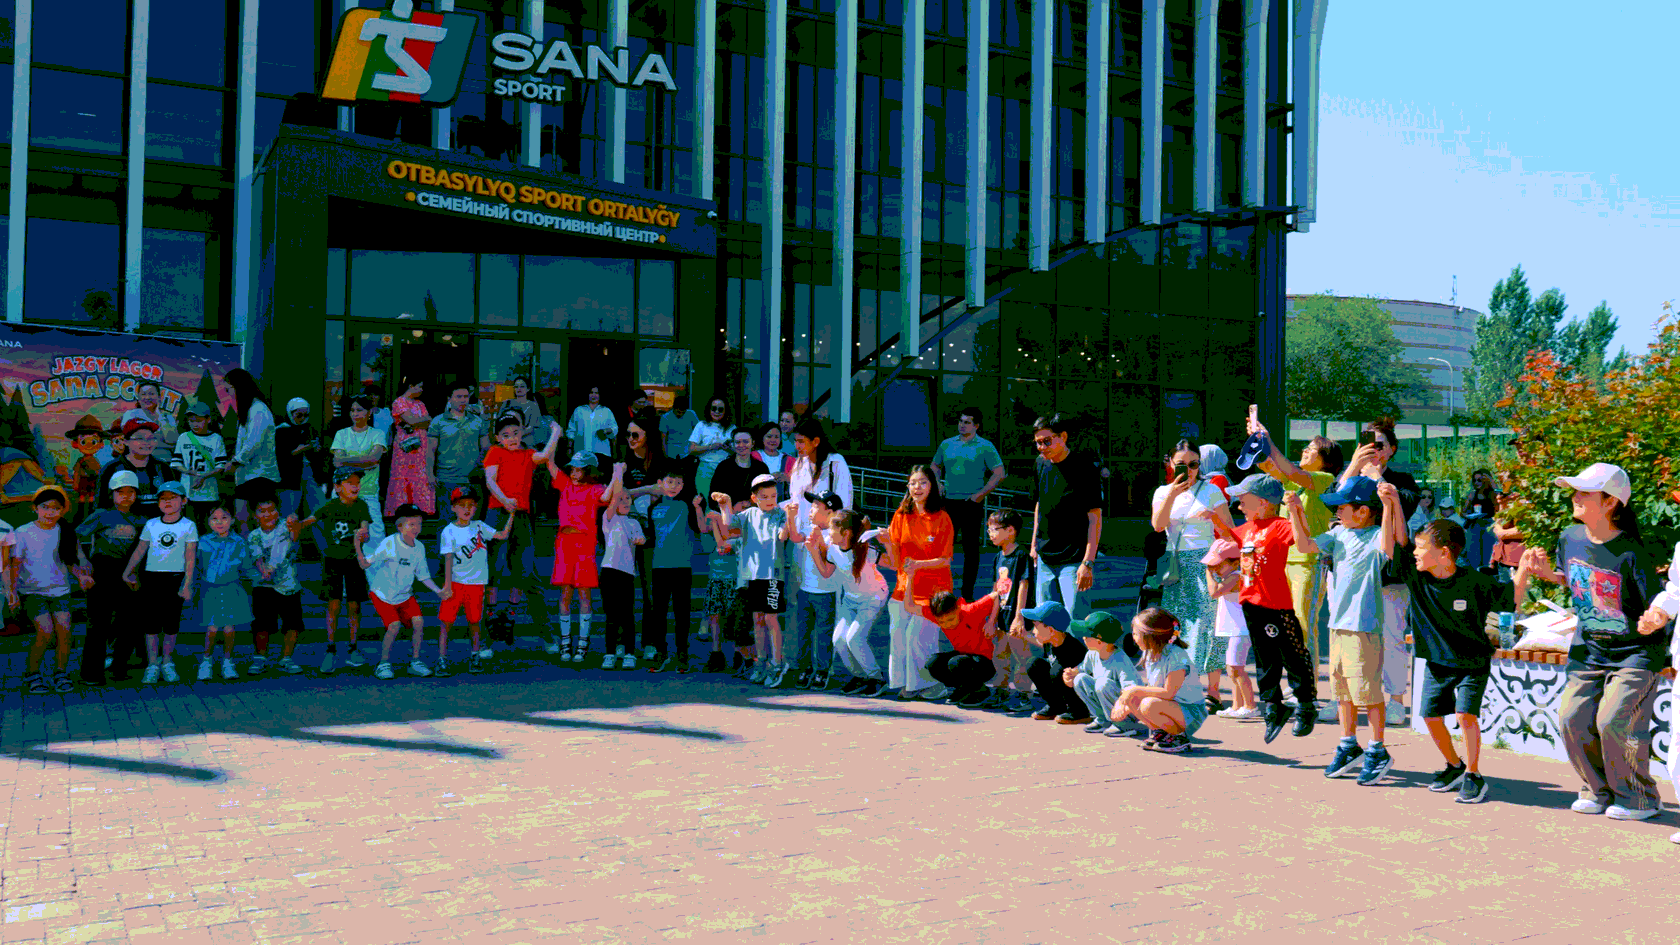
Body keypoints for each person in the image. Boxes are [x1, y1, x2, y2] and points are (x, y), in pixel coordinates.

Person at [1518, 463, 1667, 822]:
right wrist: (1547, 575)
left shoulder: (1632, 551)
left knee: (1613, 722)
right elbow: (1577, 580)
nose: (1575, 497)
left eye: (1585, 492)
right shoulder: (1570, 537)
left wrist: (1653, 623)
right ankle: (1596, 790)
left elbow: (1656, 605)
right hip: (1588, 651)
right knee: (1571, 718)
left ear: (1610, 502)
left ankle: (1639, 799)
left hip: (1634, 654)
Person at [1381, 487, 1520, 805]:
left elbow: (1508, 597)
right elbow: (1396, 544)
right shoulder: (1417, 577)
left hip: (1472, 661)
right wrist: (1391, 504)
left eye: (1422, 548)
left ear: (1444, 553)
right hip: (1437, 662)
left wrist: (1525, 571)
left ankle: (1473, 774)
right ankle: (1454, 766)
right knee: (1430, 716)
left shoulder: (1474, 581)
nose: (1415, 553)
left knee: (1464, 714)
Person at [1285, 476, 1392, 785]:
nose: (1338, 513)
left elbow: (1388, 547)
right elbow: (1304, 545)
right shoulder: (1338, 534)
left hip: (1363, 626)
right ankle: (1348, 744)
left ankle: (1377, 749)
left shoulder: (1376, 536)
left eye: (1342, 507)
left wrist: (1388, 505)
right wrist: (1295, 512)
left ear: (1363, 511)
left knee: (1368, 692)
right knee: (1342, 690)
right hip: (1338, 624)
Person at [1246, 417, 1343, 694]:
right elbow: (1268, 465)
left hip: (1309, 563)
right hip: (1283, 562)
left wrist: (1269, 440)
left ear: (1325, 460)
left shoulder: (1324, 479)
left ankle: (1307, 688)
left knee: (1303, 626)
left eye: (1311, 449)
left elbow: (1288, 469)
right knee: (1285, 626)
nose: (1304, 451)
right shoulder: (1295, 482)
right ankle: (1297, 684)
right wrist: (1257, 438)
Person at [1219, 473, 1317, 742]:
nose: (1239, 505)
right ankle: (1273, 706)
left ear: (1263, 502)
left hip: (1277, 604)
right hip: (1250, 602)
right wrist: (1213, 517)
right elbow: (1227, 537)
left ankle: (1306, 704)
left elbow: (1302, 540)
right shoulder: (1246, 529)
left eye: (1244, 500)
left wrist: (1295, 511)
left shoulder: (1280, 525)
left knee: (1292, 654)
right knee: (1264, 658)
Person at [1340, 418, 1422, 727]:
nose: (1372, 449)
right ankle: (1349, 698)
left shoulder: (1402, 479)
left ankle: (1396, 699)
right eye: (1367, 443)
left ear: (1392, 450)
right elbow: (1335, 502)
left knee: (1392, 636)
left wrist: (1376, 477)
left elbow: (1407, 505)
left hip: (1389, 571)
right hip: (1351, 569)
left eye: (1379, 444)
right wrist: (1353, 467)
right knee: (1349, 635)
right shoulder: (1351, 476)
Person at [1150, 437, 1234, 708]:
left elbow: (1230, 531)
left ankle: (1213, 691)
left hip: (1206, 561)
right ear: (1170, 464)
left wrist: (1214, 518)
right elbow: (1158, 525)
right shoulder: (1162, 492)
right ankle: (1179, 687)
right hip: (1175, 563)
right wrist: (1173, 494)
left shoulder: (1211, 490)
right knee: (1176, 624)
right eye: (1181, 464)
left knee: (1208, 625)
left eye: (1194, 464)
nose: (1189, 469)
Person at [712, 477, 798, 687]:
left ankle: (777, 663)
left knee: (771, 619)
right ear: (754, 498)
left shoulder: (780, 513)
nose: (770, 500)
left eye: (773, 496)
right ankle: (761, 662)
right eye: (764, 497)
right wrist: (725, 505)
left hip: (772, 576)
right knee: (757, 619)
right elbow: (728, 525)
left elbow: (782, 536)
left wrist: (791, 518)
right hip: (752, 576)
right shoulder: (748, 514)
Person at [877, 466, 954, 700]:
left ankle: (932, 684)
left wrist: (919, 565)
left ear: (932, 487)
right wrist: (885, 542)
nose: (917, 488)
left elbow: (945, 560)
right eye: (912, 483)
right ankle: (906, 684)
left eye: (923, 483)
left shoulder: (942, 517)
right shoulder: (901, 515)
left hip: (933, 591)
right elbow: (895, 560)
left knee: (917, 636)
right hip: (903, 588)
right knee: (898, 636)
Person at [485, 417, 562, 639]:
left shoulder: (528, 454)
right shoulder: (495, 452)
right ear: (498, 438)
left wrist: (556, 432)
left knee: (523, 567)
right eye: (506, 435)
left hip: (521, 514)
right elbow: (490, 480)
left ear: (522, 433)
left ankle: (510, 614)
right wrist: (504, 500)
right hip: (498, 514)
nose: (512, 438)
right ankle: (491, 617)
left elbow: (545, 455)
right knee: (493, 566)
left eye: (515, 433)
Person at [13, 485, 92, 694]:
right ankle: (32, 673)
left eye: (56, 508)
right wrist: (11, 592)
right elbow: (15, 564)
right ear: (35, 508)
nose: (50, 513)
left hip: (60, 590)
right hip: (32, 592)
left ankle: (61, 673)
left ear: (63, 510)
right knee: (45, 630)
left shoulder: (65, 531)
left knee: (65, 629)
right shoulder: (23, 532)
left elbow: (70, 561)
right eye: (45, 507)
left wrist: (82, 576)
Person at [295, 469, 374, 674]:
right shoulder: (329, 506)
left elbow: (365, 527)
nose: (355, 486)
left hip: (354, 561)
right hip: (332, 561)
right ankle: (331, 648)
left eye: (357, 482)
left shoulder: (362, 505)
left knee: (354, 605)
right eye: (350, 482)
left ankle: (353, 647)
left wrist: (364, 533)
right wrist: (294, 525)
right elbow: (309, 521)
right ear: (337, 487)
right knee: (333, 604)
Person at [357, 503, 449, 679]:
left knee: (419, 622)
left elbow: (423, 576)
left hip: (405, 595)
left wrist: (438, 590)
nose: (416, 528)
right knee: (394, 625)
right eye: (411, 524)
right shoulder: (389, 543)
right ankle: (383, 664)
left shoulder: (420, 548)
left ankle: (415, 661)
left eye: (419, 524)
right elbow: (367, 562)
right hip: (382, 595)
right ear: (399, 526)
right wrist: (357, 544)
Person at [121, 480, 198, 684]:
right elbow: (140, 549)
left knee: (171, 623)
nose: (168, 502)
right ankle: (153, 664)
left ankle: (167, 662)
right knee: (151, 623)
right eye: (163, 499)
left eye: (173, 498)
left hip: (176, 578)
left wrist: (187, 583)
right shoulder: (152, 524)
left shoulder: (188, 526)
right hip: (152, 578)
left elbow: (190, 556)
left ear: (184, 501)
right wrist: (128, 571)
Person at [633, 462, 704, 673]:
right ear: (660, 483)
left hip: (682, 565)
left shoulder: (688, 505)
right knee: (659, 612)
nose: (674, 486)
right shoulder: (652, 508)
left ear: (683, 485)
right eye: (669, 482)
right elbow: (651, 537)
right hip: (659, 566)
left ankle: (683, 655)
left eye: (678, 483)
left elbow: (698, 528)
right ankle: (661, 653)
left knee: (682, 612)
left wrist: (698, 507)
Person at [930, 408, 1007, 600]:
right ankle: (942, 591)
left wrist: (980, 495)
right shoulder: (947, 444)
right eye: (960, 421)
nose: (962, 425)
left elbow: (999, 473)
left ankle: (967, 594)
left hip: (971, 503)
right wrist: (938, 483)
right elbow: (934, 465)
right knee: (943, 547)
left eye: (967, 422)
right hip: (948, 502)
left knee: (971, 550)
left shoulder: (985, 446)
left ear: (976, 426)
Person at [1032, 414, 1103, 620]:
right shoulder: (1040, 464)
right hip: (1045, 557)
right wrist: (1034, 544)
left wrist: (1088, 562)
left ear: (1063, 437)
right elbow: (1039, 504)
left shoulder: (1085, 468)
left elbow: (1095, 517)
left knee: (1076, 622)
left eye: (1047, 441)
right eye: (1038, 443)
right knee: (1045, 621)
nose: (1042, 447)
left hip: (1074, 560)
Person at [76, 471, 144, 685]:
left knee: (128, 622)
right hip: (102, 569)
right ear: (111, 494)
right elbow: (75, 536)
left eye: (131, 492)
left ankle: (119, 668)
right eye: (120, 492)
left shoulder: (141, 520)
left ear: (136, 494)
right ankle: (91, 673)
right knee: (99, 623)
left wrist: (136, 573)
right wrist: (83, 560)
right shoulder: (101, 514)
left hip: (129, 572)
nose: (126, 496)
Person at [436, 486, 512, 675]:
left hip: (477, 584)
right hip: (455, 583)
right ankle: (442, 658)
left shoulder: (479, 526)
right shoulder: (448, 531)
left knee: (475, 621)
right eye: (462, 505)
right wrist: (447, 585)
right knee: (446, 622)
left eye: (471, 505)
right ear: (453, 508)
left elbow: (502, 535)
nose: (467, 509)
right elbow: (448, 559)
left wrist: (512, 513)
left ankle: (475, 655)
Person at [811, 508, 888, 695]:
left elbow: (894, 564)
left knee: (854, 638)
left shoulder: (867, 550)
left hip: (873, 597)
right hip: (850, 600)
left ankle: (877, 678)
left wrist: (888, 542)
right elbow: (826, 573)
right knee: (838, 640)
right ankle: (860, 676)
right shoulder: (832, 548)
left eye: (832, 529)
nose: (829, 533)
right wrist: (814, 551)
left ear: (845, 533)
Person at [1112, 607, 1209, 753]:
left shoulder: (1176, 656)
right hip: (1171, 708)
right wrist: (1123, 701)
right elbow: (1152, 688)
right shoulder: (1150, 653)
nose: (1133, 637)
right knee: (1135, 699)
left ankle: (1178, 737)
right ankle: (1162, 733)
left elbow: (1168, 693)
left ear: (1151, 635)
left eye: (1136, 633)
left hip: (1190, 712)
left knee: (1148, 703)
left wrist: (1134, 690)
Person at [548, 450, 611, 663]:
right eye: (572, 469)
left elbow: (608, 496)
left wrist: (618, 473)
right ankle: (566, 643)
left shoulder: (595, 489)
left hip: (585, 544)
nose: (574, 474)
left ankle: (583, 644)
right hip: (564, 543)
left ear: (589, 471)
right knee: (565, 593)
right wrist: (556, 435)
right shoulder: (565, 484)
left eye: (579, 470)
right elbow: (549, 462)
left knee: (584, 593)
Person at [788, 489, 842, 689]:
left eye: (816, 506)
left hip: (826, 593)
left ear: (830, 512)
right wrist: (791, 518)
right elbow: (795, 537)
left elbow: (827, 567)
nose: (811, 510)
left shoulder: (835, 535)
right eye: (811, 505)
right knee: (803, 633)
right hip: (805, 590)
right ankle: (805, 668)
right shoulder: (810, 528)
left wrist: (817, 543)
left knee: (823, 634)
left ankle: (822, 670)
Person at [195, 506, 256, 681]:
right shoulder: (203, 541)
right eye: (214, 518)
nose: (219, 522)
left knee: (229, 628)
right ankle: (206, 661)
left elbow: (246, 566)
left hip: (231, 588)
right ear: (208, 522)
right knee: (212, 628)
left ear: (232, 520)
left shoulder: (239, 542)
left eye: (224, 518)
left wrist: (260, 578)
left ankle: (228, 662)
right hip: (210, 589)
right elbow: (196, 565)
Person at [247, 496, 305, 675]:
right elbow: (257, 556)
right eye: (262, 511)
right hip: (263, 585)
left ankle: (287, 658)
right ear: (254, 515)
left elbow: (295, 535)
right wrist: (265, 571)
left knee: (292, 623)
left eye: (271, 510)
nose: (267, 514)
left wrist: (294, 522)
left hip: (289, 584)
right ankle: (260, 658)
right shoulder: (254, 535)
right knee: (261, 624)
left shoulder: (285, 527)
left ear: (278, 511)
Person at [1064, 611, 1145, 736]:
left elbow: (1131, 689)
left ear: (1099, 641)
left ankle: (1125, 726)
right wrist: (1070, 674)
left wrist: (1121, 706)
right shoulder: (1093, 653)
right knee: (1080, 679)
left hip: (1128, 708)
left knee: (1102, 683)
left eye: (1086, 636)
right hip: (1111, 705)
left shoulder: (1120, 660)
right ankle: (1103, 720)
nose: (1083, 638)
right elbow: (1082, 670)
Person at [598, 465, 646, 670]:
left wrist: (639, 540)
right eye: (620, 499)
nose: (625, 502)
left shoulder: (634, 523)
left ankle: (629, 653)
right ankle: (610, 653)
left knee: (627, 614)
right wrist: (617, 472)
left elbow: (641, 539)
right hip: (609, 572)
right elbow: (615, 495)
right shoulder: (609, 518)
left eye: (628, 499)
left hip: (627, 574)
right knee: (611, 615)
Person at [1204, 539, 1257, 722]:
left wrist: (1208, 573)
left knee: (1236, 669)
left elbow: (1214, 592)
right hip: (1234, 629)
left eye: (1219, 565)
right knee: (1232, 669)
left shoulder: (1236, 577)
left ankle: (1250, 706)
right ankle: (1237, 705)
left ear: (1235, 563)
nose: (1215, 569)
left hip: (1241, 630)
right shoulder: (1230, 576)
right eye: (1213, 565)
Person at [923, 589, 1000, 708]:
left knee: (956, 662)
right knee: (933, 663)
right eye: (942, 622)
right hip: (963, 659)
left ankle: (981, 691)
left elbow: (996, 596)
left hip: (985, 664)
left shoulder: (971, 610)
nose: (947, 624)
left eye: (950, 619)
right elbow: (910, 607)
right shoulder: (937, 615)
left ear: (957, 609)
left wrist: (991, 622)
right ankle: (963, 689)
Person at [225, 368, 280, 535]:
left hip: (260, 475)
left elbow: (254, 442)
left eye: (229, 389)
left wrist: (235, 462)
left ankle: (260, 549)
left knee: (260, 520)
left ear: (238, 387)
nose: (228, 394)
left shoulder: (258, 409)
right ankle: (249, 548)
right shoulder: (250, 409)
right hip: (248, 474)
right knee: (242, 517)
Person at [331, 396, 388, 548]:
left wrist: (348, 460)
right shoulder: (341, 434)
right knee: (342, 538)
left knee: (375, 540)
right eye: (352, 410)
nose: (355, 414)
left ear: (369, 412)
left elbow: (374, 459)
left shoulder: (377, 434)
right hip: (343, 493)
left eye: (359, 410)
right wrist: (365, 461)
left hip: (368, 491)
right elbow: (337, 462)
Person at [1022, 601, 1089, 722]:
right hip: (1061, 682)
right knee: (1034, 664)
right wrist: (1024, 635)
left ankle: (1079, 711)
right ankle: (1056, 707)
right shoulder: (1051, 642)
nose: (1033, 631)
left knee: (1058, 672)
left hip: (1084, 697)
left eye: (1036, 627)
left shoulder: (1072, 649)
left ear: (1051, 630)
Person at [275, 398, 328, 548]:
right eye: (299, 415)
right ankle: (285, 552)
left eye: (306, 415)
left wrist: (316, 449)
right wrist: (305, 448)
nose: (303, 419)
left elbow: (318, 454)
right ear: (290, 413)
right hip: (290, 478)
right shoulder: (281, 430)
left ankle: (324, 549)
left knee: (319, 512)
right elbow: (282, 455)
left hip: (310, 475)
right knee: (288, 516)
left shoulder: (309, 428)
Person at [431, 383, 488, 521]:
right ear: (449, 399)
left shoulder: (478, 421)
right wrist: (429, 474)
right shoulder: (438, 421)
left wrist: (479, 468)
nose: (463, 400)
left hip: (471, 479)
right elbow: (430, 450)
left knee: (472, 522)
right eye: (458, 396)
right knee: (446, 522)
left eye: (465, 397)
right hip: (446, 478)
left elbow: (486, 447)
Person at [97, 419, 170, 519]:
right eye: (140, 438)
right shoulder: (111, 469)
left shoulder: (163, 467)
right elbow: (100, 506)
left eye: (151, 438)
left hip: (157, 525)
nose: (146, 443)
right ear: (126, 441)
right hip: (121, 525)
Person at [172, 402, 228, 529]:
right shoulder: (184, 437)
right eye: (191, 421)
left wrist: (204, 476)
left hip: (210, 494)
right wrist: (188, 471)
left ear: (208, 419)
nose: (194, 424)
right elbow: (176, 462)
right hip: (187, 492)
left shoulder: (216, 439)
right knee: (189, 527)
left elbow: (221, 466)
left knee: (209, 528)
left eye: (198, 421)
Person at [385, 376, 435, 517]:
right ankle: (400, 508)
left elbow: (429, 421)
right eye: (419, 386)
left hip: (421, 446)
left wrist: (418, 422)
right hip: (405, 446)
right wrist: (420, 421)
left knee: (420, 475)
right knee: (403, 474)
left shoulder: (420, 404)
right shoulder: (399, 402)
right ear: (411, 386)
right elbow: (412, 420)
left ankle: (422, 509)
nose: (421, 390)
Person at [708, 430, 770, 519]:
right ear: (733, 444)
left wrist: (750, 503)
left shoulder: (761, 468)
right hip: (728, 517)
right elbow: (713, 498)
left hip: (756, 517)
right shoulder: (723, 467)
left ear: (752, 443)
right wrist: (731, 508)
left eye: (745, 442)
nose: (741, 445)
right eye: (737, 442)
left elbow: (768, 495)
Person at [688, 396, 735, 503]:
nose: (717, 412)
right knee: (705, 502)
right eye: (714, 408)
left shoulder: (732, 428)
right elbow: (691, 449)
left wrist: (728, 449)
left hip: (726, 469)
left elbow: (739, 451)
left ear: (726, 411)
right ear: (709, 409)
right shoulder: (701, 425)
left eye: (720, 409)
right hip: (705, 468)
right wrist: (710, 447)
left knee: (724, 503)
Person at [121, 380, 178, 466]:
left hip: (165, 461)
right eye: (143, 394)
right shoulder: (131, 414)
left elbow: (172, 440)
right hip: (138, 461)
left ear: (159, 397)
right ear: (138, 397)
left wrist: (159, 416)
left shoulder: (168, 417)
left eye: (151, 394)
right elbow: (132, 441)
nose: (147, 397)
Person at [566, 385, 617, 469]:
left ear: (600, 395)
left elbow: (615, 429)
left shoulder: (606, 411)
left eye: (596, 393)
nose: (593, 395)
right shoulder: (578, 410)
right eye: (591, 393)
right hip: (581, 453)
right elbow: (571, 431)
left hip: (601, 453)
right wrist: (569, 448)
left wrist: (606, 430)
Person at [1461, 469, 1499, 570]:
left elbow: (1498, 510)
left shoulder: (1492, 494)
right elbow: (1463, 512)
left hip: (1488, 526)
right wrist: (1469, 515)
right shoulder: (1473, 494)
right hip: (1474, 526)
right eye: (1475, 480)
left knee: (1488, 555)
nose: (1477, 483)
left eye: (1480, 480)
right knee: (1474, 556)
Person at [753, 422, 796, 503]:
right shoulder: (753, 457)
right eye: (769, 436)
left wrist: (788, 479)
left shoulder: (790, 460)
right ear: (762, 438)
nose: (773, 440)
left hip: (783, 504)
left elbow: (798, 484)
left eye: (776, 437)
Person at [658, 394, 699, 460]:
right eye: (679, 412)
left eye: (683, 412)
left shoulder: (691, 414)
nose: (681, 414)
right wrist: (664, 453)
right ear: (674, 408)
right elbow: (663, 437)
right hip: (671, 451)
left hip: (687, 451)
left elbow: (697, 432)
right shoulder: (665, 417)